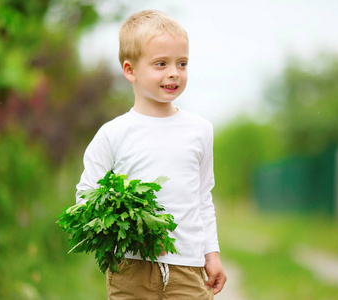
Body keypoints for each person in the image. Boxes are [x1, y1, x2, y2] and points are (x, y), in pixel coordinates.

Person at [75, 9, 227, 300]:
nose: (174, 72)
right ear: (130, 70)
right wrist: (131, 227)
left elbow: (203, 198)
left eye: (182, 63)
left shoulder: (200, 130)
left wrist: (213, 254)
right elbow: (86, 196)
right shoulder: (113, 134)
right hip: (131, 268)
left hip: (188, 268)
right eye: (161, 64)